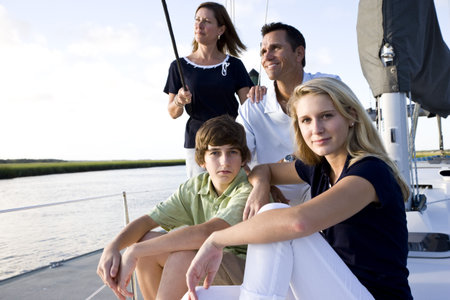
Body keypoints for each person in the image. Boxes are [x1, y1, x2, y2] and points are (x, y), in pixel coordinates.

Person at [185, 78, 413, 300]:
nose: (317, 129)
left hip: (372, 294)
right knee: (197, 297)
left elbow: (298, 222)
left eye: (326, 116)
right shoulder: (319, 167)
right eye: (306, 120)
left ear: (351, 116)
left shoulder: (370, 172)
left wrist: (216, 239)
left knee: (277, 218)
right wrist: (262, 186)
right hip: (328, 285)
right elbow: (263, 170)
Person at [97, 115, 253, 299]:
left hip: (245, 270)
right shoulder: (195, 186)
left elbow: (208, 233)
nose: (224, 161)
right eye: (215, 153)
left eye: (232, 152)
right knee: (147, 243)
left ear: (243, 158)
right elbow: (148, 221)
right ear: (202, 160)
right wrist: (113, 247)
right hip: (210, 261)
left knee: (182, 256)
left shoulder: (248, 190)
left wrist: (134, 250)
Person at [237, 22, 340, 217]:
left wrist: (288, 161)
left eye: (275, 48)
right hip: (274, 203)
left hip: (328, 194)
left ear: (299, 53)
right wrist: (263, 184)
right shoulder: (252, 107)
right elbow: (238, 160)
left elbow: (347, 138)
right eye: (263, 51)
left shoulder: (330, 88)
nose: (266, 57)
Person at [164, 2, 254, 178]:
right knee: (201, 198)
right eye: (197, 20)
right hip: (197, 144)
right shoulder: (179, 66)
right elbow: (173, 113)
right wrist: (179, 101)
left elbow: (248, 108)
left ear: (220, 30)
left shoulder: (234, 65)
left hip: (230, 142)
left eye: (206, 21)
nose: (199, 25)